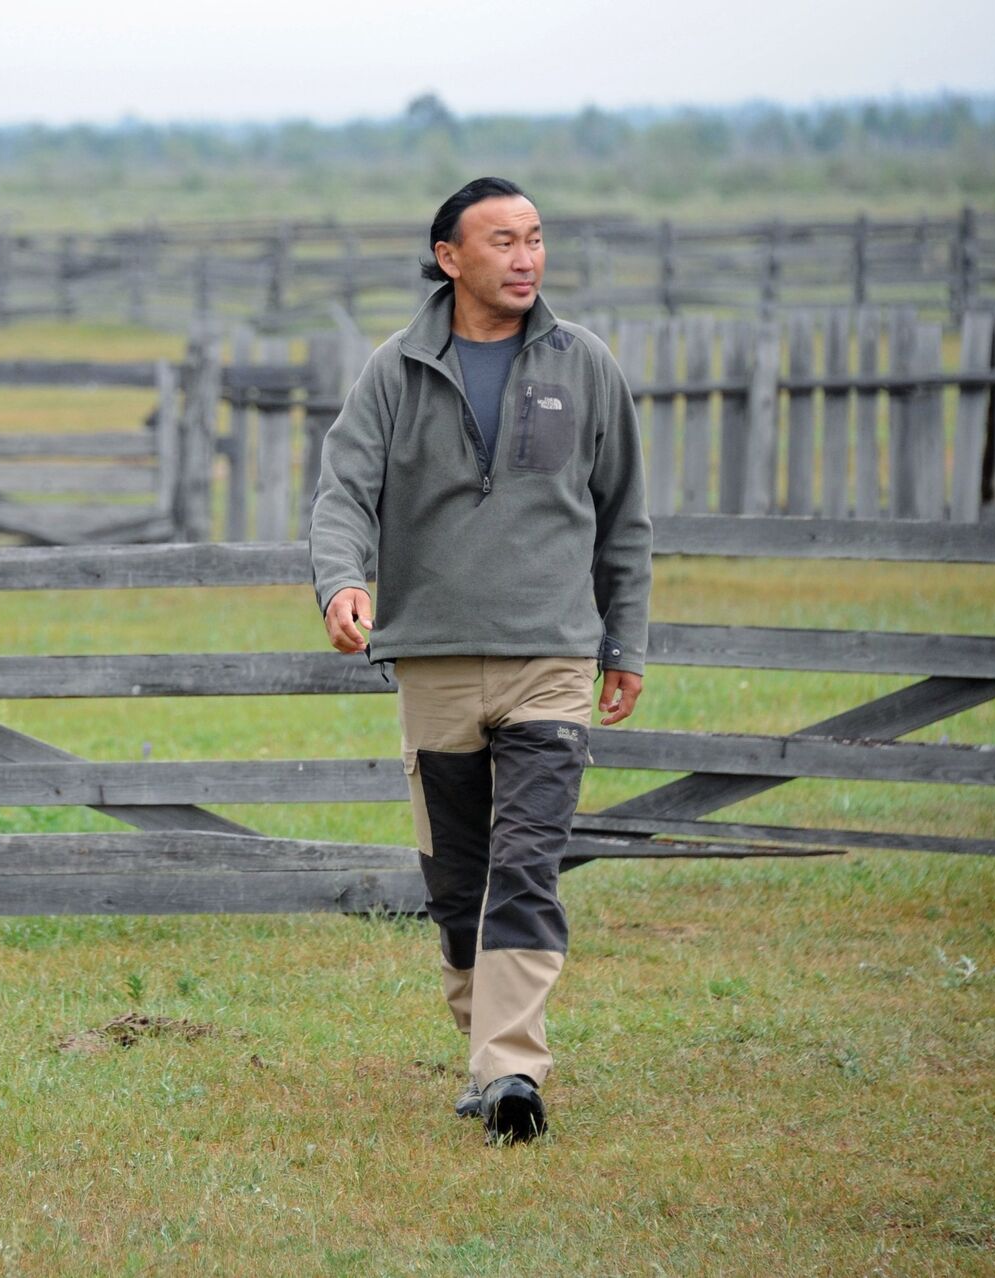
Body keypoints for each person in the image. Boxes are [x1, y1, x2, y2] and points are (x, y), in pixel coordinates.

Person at [309, 177, 652, 1144]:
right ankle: (486, 1053)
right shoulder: (397, 369)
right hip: (435, 662)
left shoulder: (584, 366)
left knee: (528, 865)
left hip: (551, 657)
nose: (525, 257)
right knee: (460, 884)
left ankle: (512, 1072)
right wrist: (342, 582)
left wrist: (621, 641)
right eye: (502, 241)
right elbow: (343, 493)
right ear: (449, 257)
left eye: (536, 238)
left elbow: (624, 517)